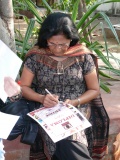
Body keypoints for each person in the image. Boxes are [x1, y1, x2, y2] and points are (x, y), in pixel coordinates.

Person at [5, 12, 109, 160]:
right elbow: (25, 87)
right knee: (60, 135)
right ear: (45, 39)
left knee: (70, 135)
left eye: (63, 44)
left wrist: (75, 102)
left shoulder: (82, 56)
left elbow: (94, 89)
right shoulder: (36, 56)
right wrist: (42, 98)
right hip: (45, 108)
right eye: (52, 43)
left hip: (77, 106)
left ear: (71, 39)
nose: (57, 48)